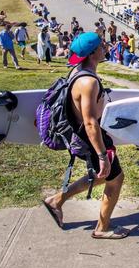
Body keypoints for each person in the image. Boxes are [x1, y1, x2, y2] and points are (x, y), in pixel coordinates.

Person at [42, 33, 129, 239]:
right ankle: (102, 228)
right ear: (92, 54)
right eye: (101, 45)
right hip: (91, 139)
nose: (105, 47)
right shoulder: (88, 82)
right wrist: (101, 155)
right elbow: (90, 121)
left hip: (87, 136)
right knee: (115, 179)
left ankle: (56, 201)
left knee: (102, 176)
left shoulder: (78, 71)